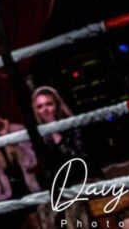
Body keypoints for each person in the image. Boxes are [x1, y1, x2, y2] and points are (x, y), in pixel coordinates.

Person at [31, 87, 92, 229]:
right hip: (56, 186)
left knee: (73, 207)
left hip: (78, 180)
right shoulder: (38, 134)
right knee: (43, 210)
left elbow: (77, 161)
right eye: (40, 106)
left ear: (57, 105)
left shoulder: (72, 125)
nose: (45, 110)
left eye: (49, 104)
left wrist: (55, 132)